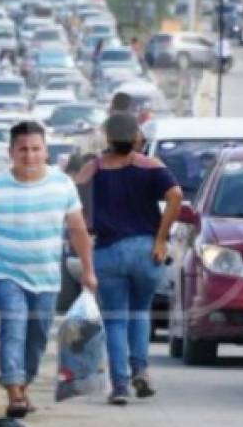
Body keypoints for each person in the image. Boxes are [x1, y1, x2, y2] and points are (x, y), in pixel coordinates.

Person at [0, 121, 97, 418]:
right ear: (11, 152)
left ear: (45, 151)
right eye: (23, 149)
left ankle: (23, 384)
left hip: (47, 278)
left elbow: (78, 230)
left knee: (38, 337)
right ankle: (13, 390)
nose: (30, 156)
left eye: (36, 149)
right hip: (7, 275)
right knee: (13, 328)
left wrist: (88, 270)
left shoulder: (63, 185)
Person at [74, 113, 183, 405]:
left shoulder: (92, 169)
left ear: (107, 138)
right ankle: (141, 371)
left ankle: (120, 385)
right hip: (146, 251)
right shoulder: (151, 166)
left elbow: (72, 199)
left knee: (115, 320)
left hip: (107, 252)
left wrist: (86, 221)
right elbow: (176, 195)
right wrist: (161, 238)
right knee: (140, 312)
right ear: (136, 137)